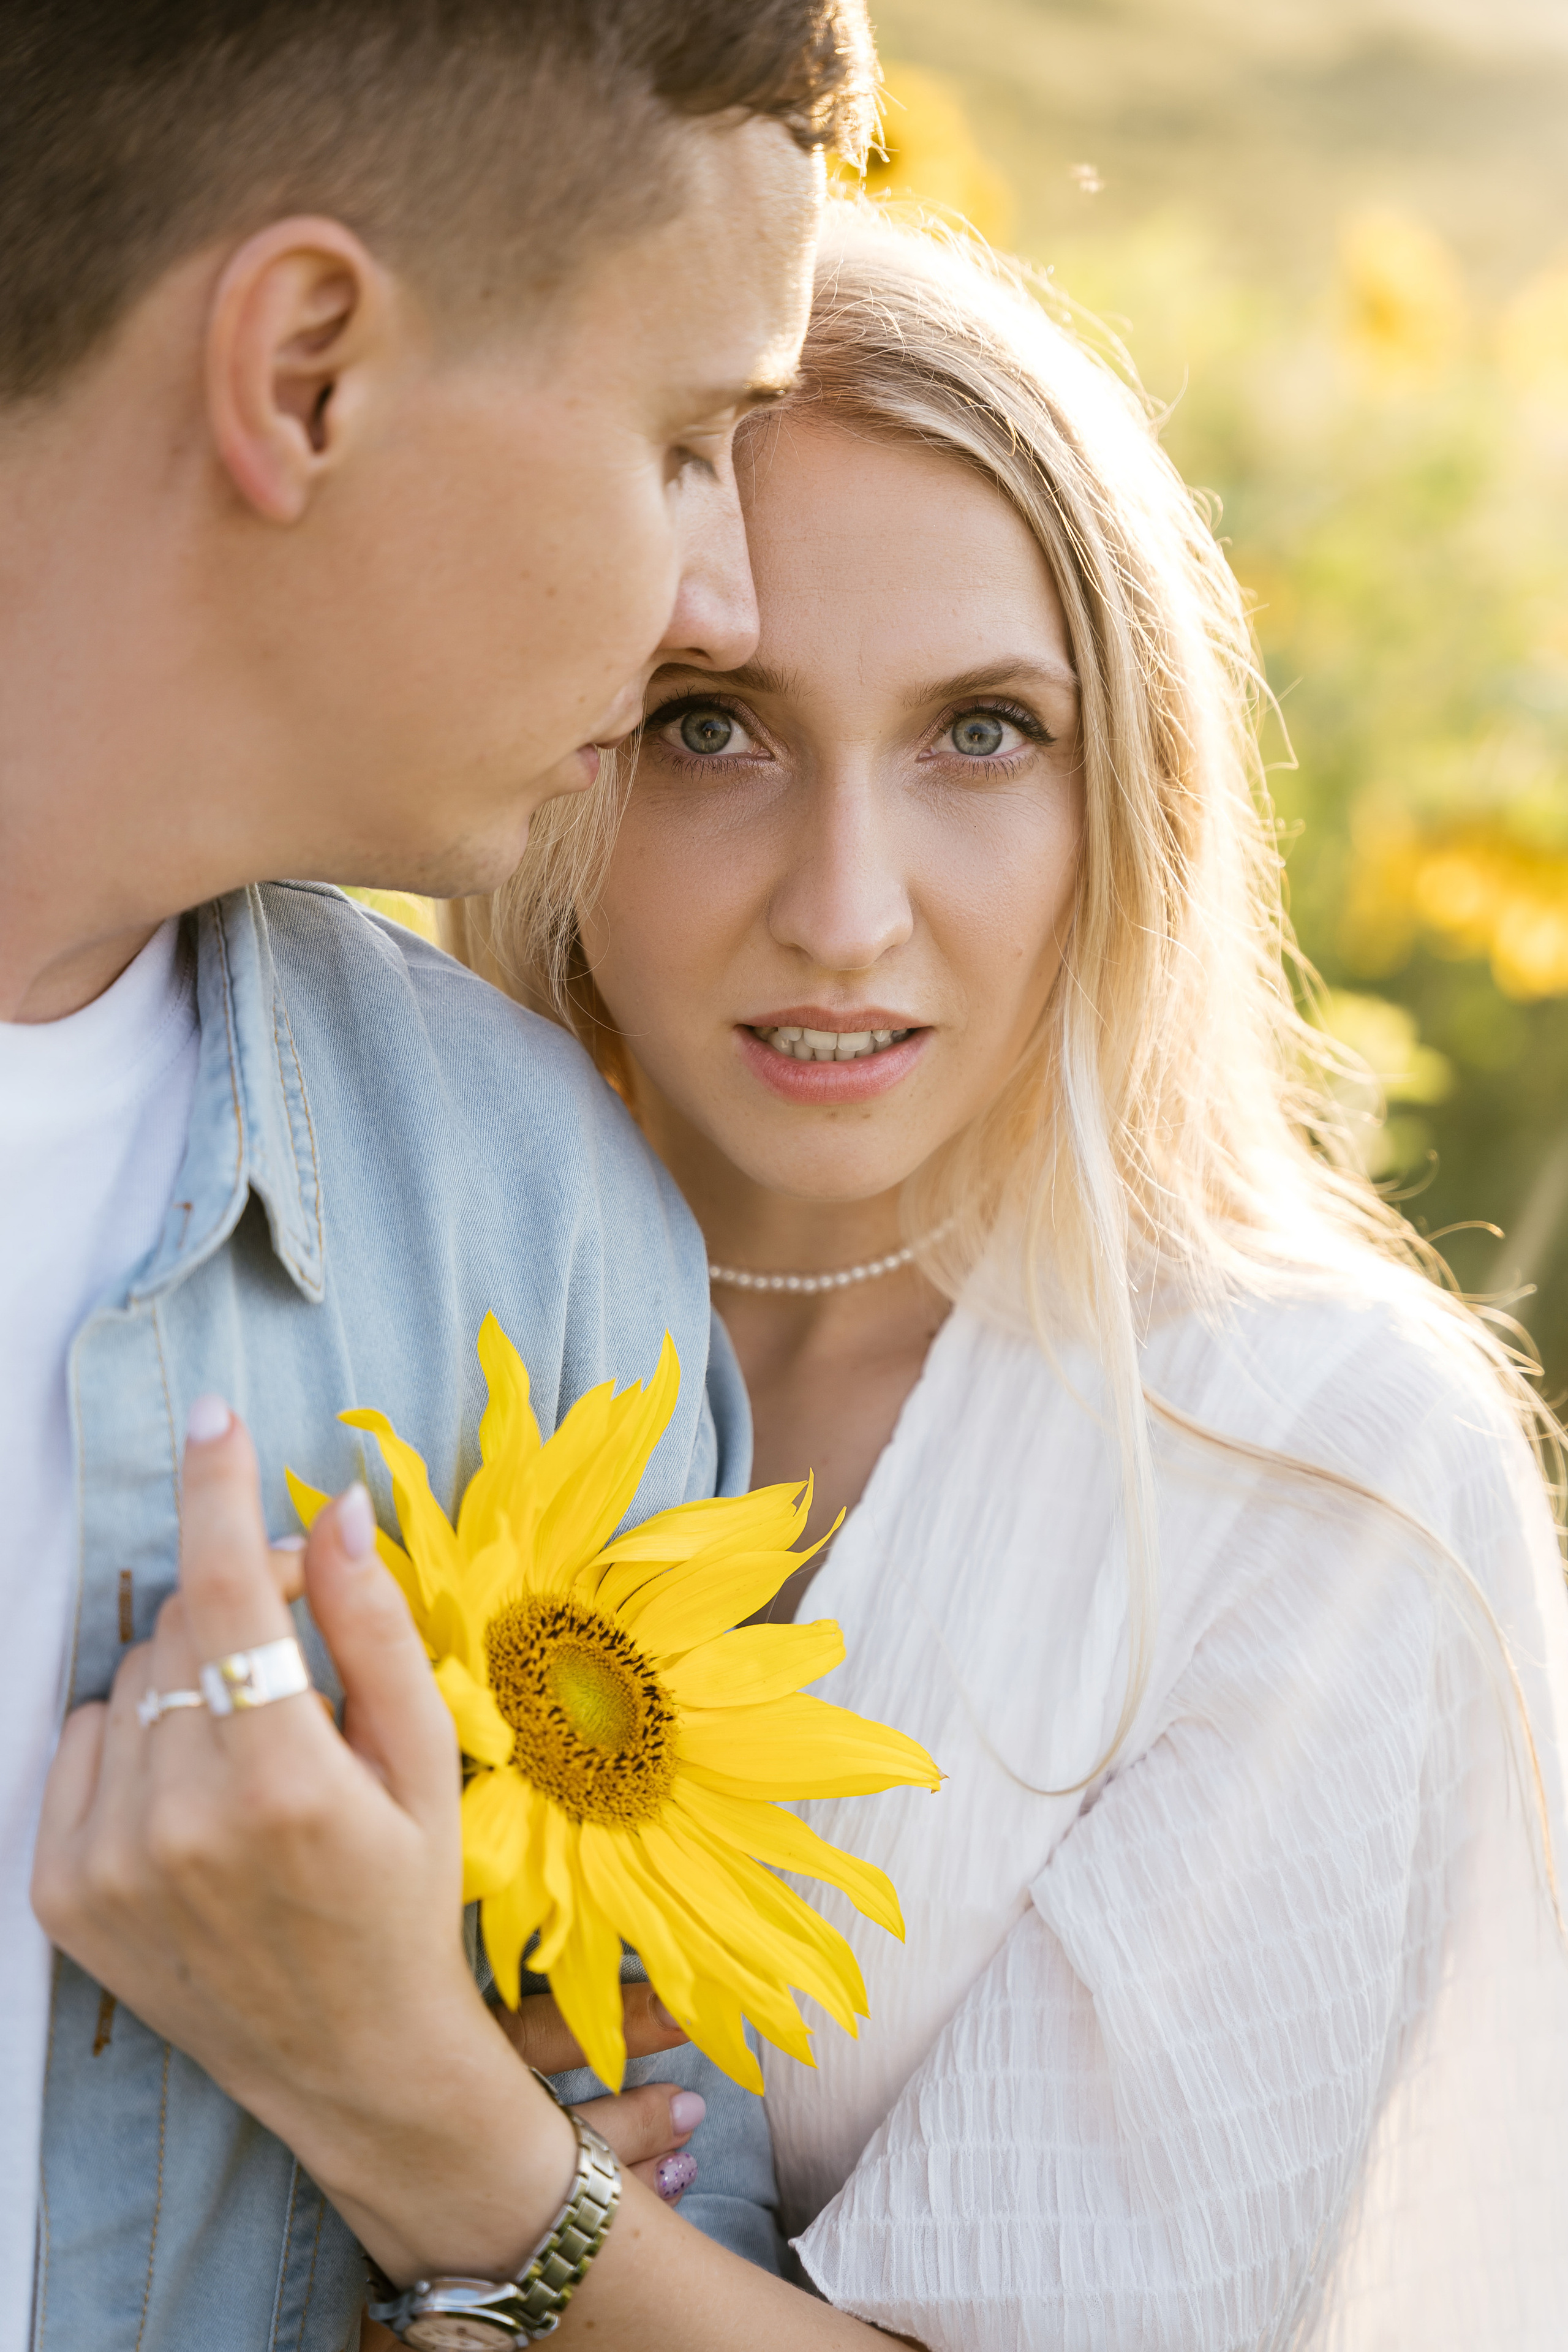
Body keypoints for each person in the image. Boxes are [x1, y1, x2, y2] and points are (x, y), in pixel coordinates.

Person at [451, 206, 1568, 2348]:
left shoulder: (1309, 1469)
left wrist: (430, 2143)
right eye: (714, 723)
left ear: (1126, 789)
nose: (846, 911)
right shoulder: (371, 1317)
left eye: (979, 733)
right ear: (556, 750)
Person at [5, 4, 876, 2345]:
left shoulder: (529, 1221)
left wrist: (462, 2211)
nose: (729, 599)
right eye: (691, 441)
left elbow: (665, 2210)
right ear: (301, 371)